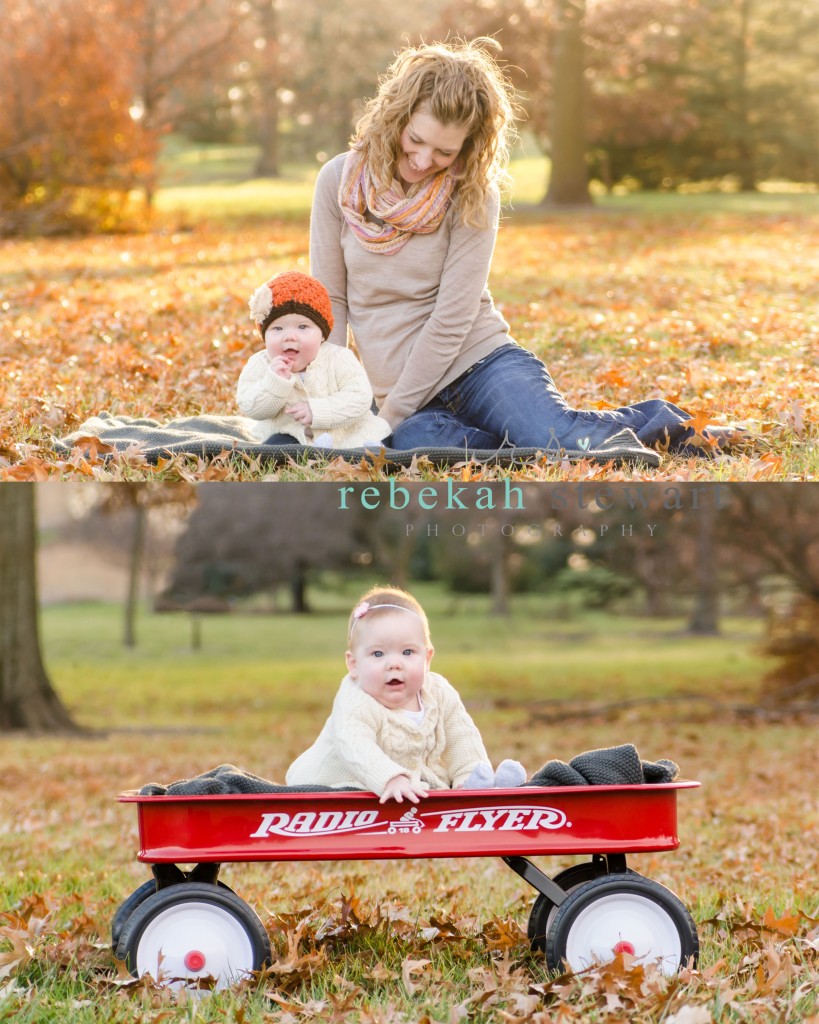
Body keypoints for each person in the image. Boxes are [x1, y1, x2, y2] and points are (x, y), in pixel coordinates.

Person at [309, 38, 742, 457]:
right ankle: (517, 441)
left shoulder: (473, 193)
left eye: (444, 151)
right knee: (425, 446)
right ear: (397, 117)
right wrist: (344, 402)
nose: (423, 160)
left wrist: (387, 418)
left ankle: (680, 429)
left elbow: (452, 316)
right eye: (416, 140)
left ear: (468, 146)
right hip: (402, 392)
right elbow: (332, 301)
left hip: (481, 365)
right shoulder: (338, 181)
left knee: (557, 438)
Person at [286, 586, 526, 802]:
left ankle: (485, 788)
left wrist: (468, 775)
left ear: (427, 658)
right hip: (330, 786)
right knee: (360, 774)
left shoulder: (439, 692)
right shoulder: (355, 701)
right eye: (378, 654)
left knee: (465, 772)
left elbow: (462, 737)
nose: (394, 664)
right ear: (354, 664)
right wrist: (389, 778)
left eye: (408, 652)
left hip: (400, 785)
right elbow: (355, 746)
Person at [237, 270, 391, 448]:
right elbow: (251, 407)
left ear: (322, 335)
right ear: (264, 335)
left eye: (302, 327)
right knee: (276, 447)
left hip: (346, 433)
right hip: (291, 434)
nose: (290, 336)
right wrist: (275, 383)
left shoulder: (339, 358)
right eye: (277, 329)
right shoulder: (261, 364)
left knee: (370, 441)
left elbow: (360, 398)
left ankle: (363, 452)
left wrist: (318, 411)